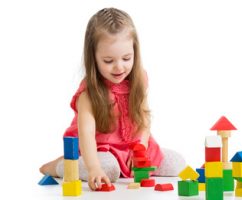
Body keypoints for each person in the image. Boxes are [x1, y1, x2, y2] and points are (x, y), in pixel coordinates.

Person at [39, 7, 186, 191]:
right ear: (93, 58)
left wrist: (140, 147)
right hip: (99, 150)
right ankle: (61, 165)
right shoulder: (89, 92)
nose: (119, 67)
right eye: (108, 61)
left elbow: (144, 119)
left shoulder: (138, 80)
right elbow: (86, 134)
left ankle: (122, 163)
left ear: (135, 52)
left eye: (126, 58)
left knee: (177, 164)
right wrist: (93, 168)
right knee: (108, 170)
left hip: (133, 147)